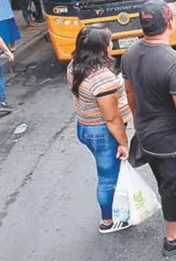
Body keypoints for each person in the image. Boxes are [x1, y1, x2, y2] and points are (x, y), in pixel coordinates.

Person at [121, 0, 176, 257]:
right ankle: (173, 238)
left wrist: (141, 119)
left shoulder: (130, 54)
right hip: (170, 142)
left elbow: (130, 93)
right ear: (170, 23)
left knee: (166, 181)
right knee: (172, 188)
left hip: (147, 136)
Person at [68, 24, 132, 234]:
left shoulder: (74, 66)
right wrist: (123, 142)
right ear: (101, 47)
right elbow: (112, 117)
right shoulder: (101, 78)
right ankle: (108, 221)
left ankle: (115, 213)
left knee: (107, 175)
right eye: (109, 42)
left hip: (84, 126)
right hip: (102, 133)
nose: (111, 45)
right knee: (107, 179)